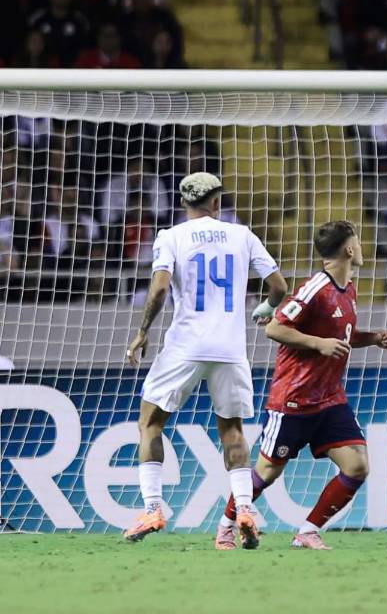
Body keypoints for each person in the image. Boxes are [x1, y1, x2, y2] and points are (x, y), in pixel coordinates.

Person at [122, 172, 289, 546]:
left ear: (184, 203)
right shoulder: (242, 235)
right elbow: (279, 286)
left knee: (150, 422)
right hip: (230, 349)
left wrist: (143, 331)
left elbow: (161, 287)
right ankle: (244, 508)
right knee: (232, 430)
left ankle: (153, 507)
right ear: (217, 202)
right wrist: (264, 308)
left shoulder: (172, 237)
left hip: (186, 345)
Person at [213, 220, 387, 550]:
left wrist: (371, 338)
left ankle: (308, 531)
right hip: (294, 400)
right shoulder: (315, 289)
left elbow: (340, 337)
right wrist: (319, 343)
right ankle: (226, 526)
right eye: (358, 241)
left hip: (330, 398)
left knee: (357, 466)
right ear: (349, 249)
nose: (362, 247)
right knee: (267, 472)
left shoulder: (348, 289)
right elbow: (276, 329)